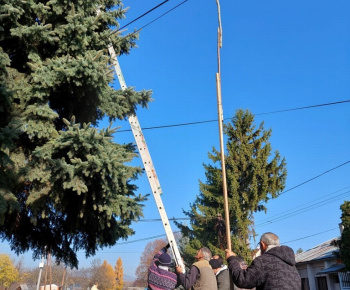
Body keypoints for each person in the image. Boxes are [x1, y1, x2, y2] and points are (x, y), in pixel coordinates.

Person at [225, 232, 301, 290]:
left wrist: (231, 259)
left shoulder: (263, 261)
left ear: (262, 244)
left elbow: (242, 280)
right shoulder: (291, 265)